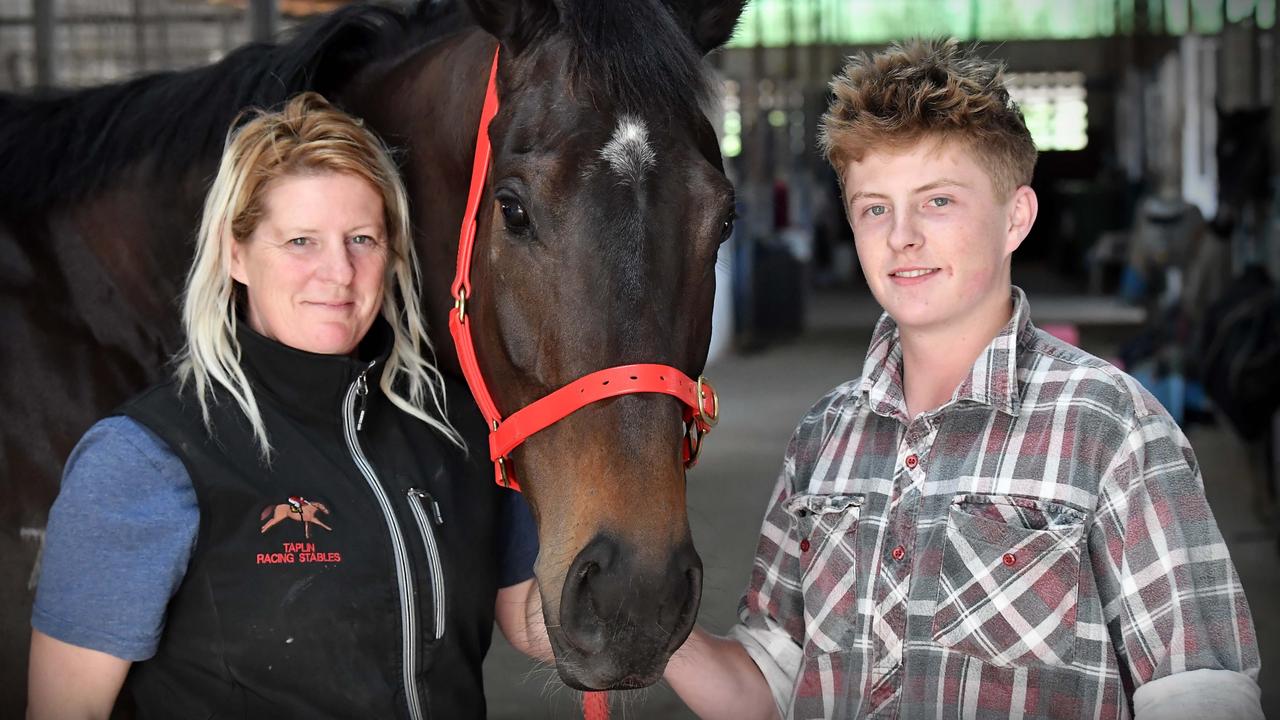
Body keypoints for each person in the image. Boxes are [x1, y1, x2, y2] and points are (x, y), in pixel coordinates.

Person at [665, 39, 1263, 719]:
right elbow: (766, 689)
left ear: (1017, 218)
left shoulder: (1114, 429)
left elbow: (1201, 691)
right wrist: (647, 629)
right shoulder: (822, 438)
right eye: (874, 208)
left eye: (939, 201)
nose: (902, 237)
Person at [27, 92, 546, 719]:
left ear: (392, 254)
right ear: (236, 253)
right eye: (301, 241)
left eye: (362, 238)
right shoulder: (145, 458)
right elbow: (66, 709)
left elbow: (536, 621)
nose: (339, 272)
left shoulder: (454, 427)